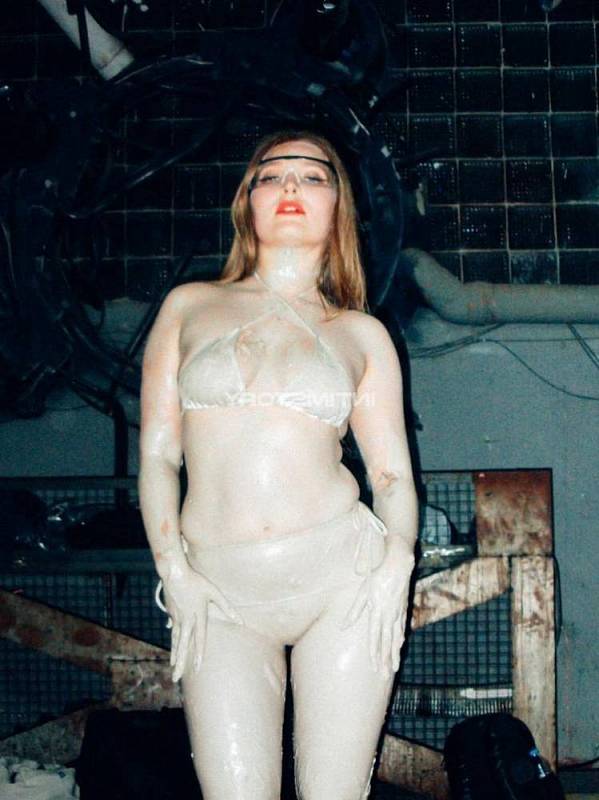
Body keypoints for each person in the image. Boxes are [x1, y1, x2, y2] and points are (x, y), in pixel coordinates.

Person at [138, 129, 418, 800]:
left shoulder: (362, 334)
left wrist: (398, 562)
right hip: (218, 592)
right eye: (271, 175)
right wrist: (173, 570)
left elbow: (391, 476)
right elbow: (158, 453)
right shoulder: (188, 306)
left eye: (312, 176)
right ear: (247, 203)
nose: (290, 186)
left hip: (342, 581)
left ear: (338, 207)